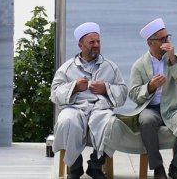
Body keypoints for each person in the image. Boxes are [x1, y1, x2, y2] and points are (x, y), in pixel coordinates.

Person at [119, 18, 177, 179]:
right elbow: (134, 94)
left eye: (167, 37)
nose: (166, 41)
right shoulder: (139, 65)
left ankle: (175, 167)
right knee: (146, 121)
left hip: (174, 108)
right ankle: (158, 168)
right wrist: (150, 86)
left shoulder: (176, 58)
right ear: (150, 43)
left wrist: (173, 60)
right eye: (162, 39)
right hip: (151, 109)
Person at [51, 22, 128, 179]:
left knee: (112, 124)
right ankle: (75, 166)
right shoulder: (66, 68)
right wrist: (74, 87)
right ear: (81, 45)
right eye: (91, 42)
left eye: (98, 41)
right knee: (66, 121)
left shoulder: (110, 67)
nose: (96, 45)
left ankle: (96, 165)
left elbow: (123, 92)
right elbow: (54, 93)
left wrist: (106, 88)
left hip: (100, 109)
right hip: (75, 108)